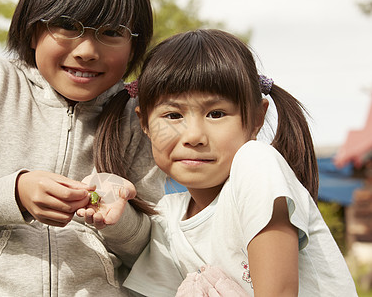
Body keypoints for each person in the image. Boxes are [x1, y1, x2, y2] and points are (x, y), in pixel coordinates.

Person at [0, 0, 165, 295]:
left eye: (112, 31)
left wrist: (117, 219)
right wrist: (15, 194)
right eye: (66, 25)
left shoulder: (138, 116)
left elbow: (153, 249)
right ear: (33, 30)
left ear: (133, 46)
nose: (87, 51)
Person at [123, 29, 357, 296]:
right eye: (173, 115)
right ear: (145, 123)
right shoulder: (167, 217)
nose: (194, 136)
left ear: (257, 119)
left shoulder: (256, 165)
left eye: (216, 113)